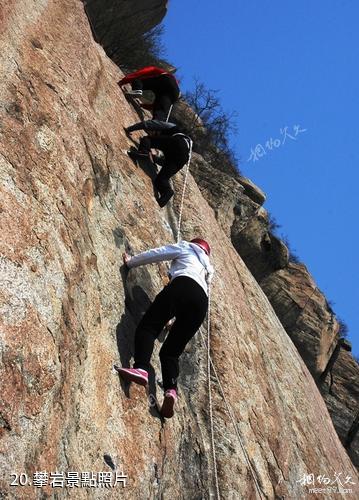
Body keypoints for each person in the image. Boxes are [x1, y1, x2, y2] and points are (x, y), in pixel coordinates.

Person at [117, 239, 214, 418]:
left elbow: (158, 253)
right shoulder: (207, 270)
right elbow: (192, 298)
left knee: (149, 327)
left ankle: (141, 368)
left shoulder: (187, 248)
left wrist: (131, 262)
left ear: (195, 244)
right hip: (201, 304)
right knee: (171, 353)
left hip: (182, 285)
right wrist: (173, 322)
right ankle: (171, 390)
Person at [128, 127, 193, 208]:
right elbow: (165, 163)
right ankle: (167, 193)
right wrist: (154, 159)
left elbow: (158, 126)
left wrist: (134, 127)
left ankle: (143, 152)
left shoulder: (173, 129)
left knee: (147, 139)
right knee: (161, 180)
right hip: (183, 158)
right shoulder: (187, 145)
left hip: (177, 142)